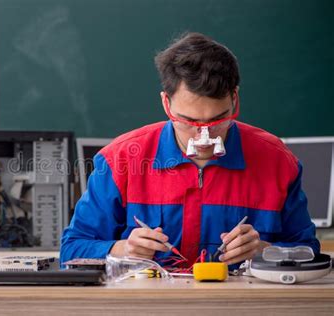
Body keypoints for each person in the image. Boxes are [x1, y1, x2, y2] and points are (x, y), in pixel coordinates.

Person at [60, 32, 320, 268]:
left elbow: (309, 251)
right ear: (166, 104)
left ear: (234, 99)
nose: (204, 137)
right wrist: (123, 248)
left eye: (217, 120)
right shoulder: (120, 160)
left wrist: (265, 250)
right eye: (188, 122)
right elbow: (71, 250)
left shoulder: (277, 161)